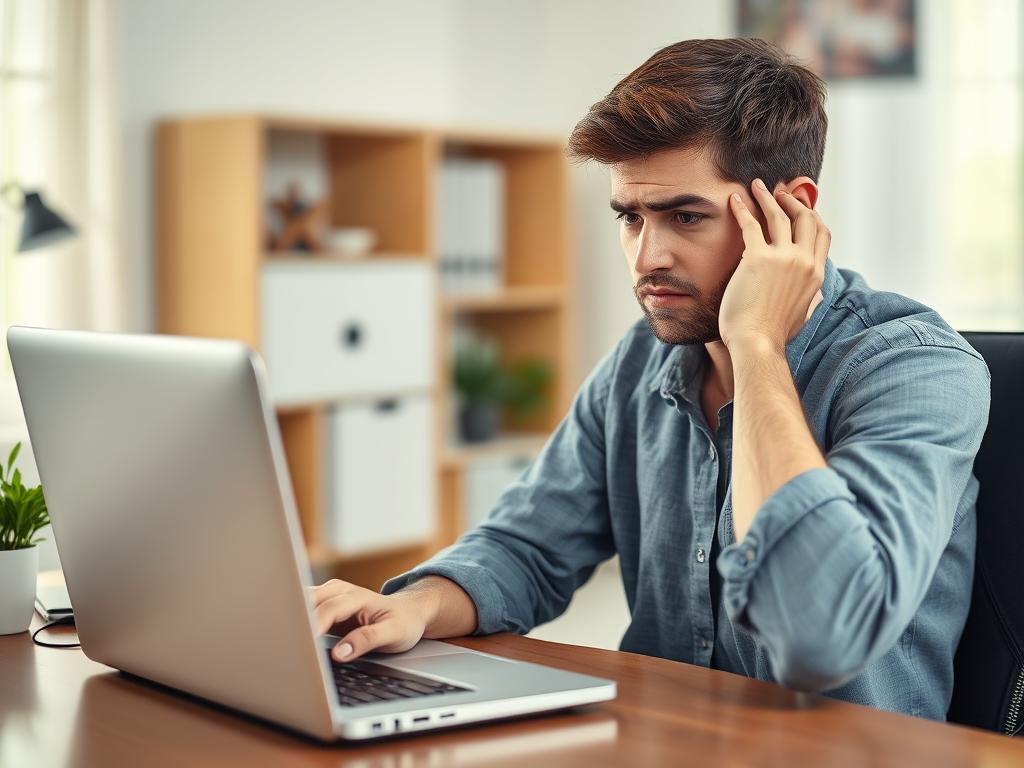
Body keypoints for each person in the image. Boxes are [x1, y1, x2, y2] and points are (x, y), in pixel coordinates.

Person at [308, 38, 990, 721]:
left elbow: (820, 640)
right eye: (630, 216)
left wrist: (756, 347)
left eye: (685, 216)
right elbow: (528, 544)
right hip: (664, 742)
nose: (646, 257)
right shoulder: (642, 360)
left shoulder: (917, 370)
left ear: (792, 212)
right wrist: (412, 607)